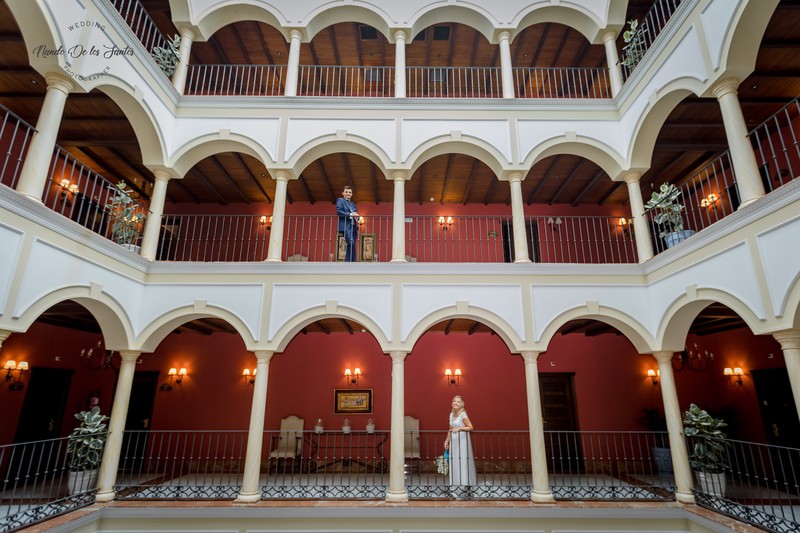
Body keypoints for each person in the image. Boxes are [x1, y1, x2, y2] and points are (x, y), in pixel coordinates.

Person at [443, 395, 476, 493]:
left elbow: (471, 427)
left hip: (462, 441)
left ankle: (464, 485)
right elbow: (450, 429)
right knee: (454, 461)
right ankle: (455, 484)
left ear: (461, 404)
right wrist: (446, 440)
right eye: (454, 401)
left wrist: (460, 428)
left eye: (458, 401)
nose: (456, 403)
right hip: (454, 441)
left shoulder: (463, 414)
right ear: (451, 403)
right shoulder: (451, 415)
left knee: (462, 461)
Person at [336, 185, 359, 262]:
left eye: (349, 192)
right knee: (351, 242)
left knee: (352, 244)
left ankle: (351, 261)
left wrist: (357, 217)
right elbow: (339, 212)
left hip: (353, 226)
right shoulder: (340, 200)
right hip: (345, 225)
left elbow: (355, 213)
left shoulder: (353, 204)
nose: (348, 193)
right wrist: (350, 214)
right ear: (343, 193)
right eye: (346, 192)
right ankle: (350, 261)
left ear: (351, 194)